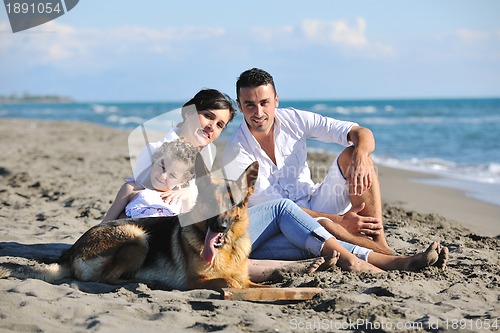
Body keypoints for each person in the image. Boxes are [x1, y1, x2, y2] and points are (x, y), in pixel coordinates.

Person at [222, 68, 392, 254]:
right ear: (239, 105)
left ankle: (380, 242)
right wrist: (339, 221)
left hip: (314, 202)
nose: (259, 112)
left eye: (264, 103)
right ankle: (380, 253)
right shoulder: (236, 153)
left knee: (354, 155)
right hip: (279, 225)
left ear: (276, 100)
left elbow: (360, 132)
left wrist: (361, 154)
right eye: (250, 105)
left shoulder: (294, 119)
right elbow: (283, 211)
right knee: (329, 225)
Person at [248, 198, 448, 274]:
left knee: (308, 242)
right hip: (221, 239)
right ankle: (354, 262)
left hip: (241, 246)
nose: (214, 127)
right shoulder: (235, 150)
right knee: (282, 207)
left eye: (221, 124)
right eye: (213, 118)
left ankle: (399, 263)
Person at [102, 140, 200, 222]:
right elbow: (107, 221)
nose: (163, 175)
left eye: (172, 175)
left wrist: (187, 195)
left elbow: (189, 227)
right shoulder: (132, 189)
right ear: (155, 160)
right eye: (162, 167)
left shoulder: (180, 198)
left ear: (182, 182)